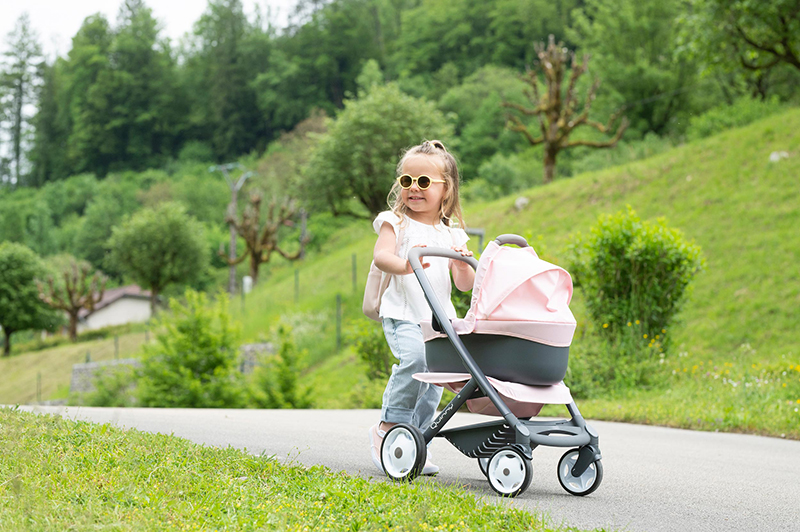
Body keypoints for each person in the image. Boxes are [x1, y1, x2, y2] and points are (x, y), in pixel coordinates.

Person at [368, 139, 475, 475]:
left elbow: (464, 285)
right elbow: (382, 255)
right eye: (407, 181)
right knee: (414, 360)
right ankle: (389, 428)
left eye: (424, 182)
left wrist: (463, 266)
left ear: (446, 190)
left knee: (435, 380)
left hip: (438, 322)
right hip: (402, 314)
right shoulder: (396, 223)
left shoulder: (453, 234)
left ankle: (417, 438)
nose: (414, 189)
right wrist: (405, 265)